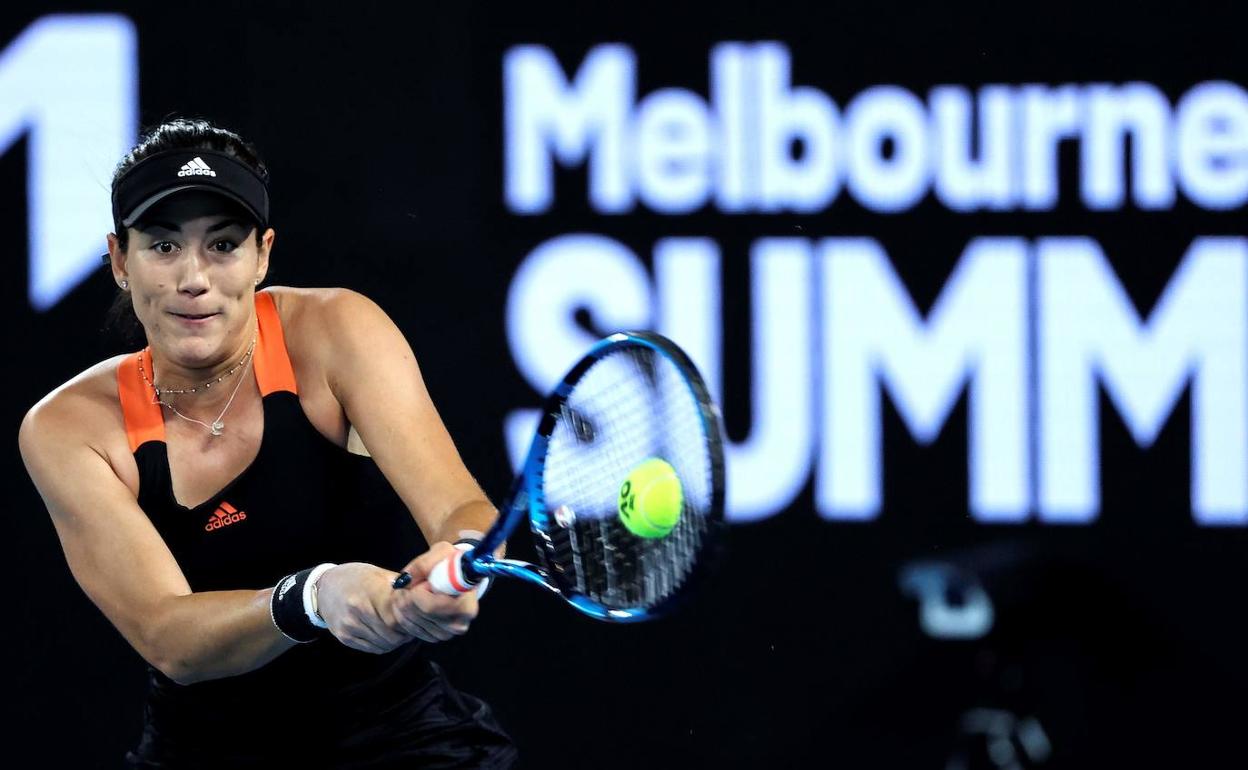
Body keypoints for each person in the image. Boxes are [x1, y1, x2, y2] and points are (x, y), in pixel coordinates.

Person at [18, 119, 518, 768]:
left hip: (403, 743)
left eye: (222, 245)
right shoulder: (70, 428)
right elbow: (171, 637)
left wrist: (463, 560)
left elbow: (458, 508)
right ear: (119, 260)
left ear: (263, 254)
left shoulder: (337, 330)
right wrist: (317, 595)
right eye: (163, 247)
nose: (192, 278)